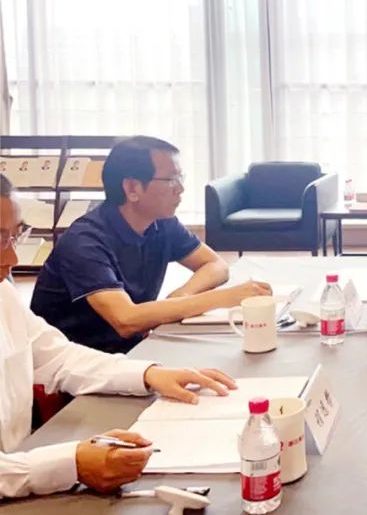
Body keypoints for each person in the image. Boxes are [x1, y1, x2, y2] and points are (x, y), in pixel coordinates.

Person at [1, 172, 238, 499]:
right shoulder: (84, 240)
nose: (12, 259)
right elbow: (126, 319)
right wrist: (70, 464)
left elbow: (60, 358)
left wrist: (149, 374)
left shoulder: (4, 296)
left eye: (15, 237)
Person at [30, 136, 270, 353]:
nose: (181, 189)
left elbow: (216, 266)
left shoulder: (161, 223)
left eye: (180, 178)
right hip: (78, 364)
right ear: (132, 188)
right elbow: (125, 320)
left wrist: (180, 296)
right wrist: (222, 298)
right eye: (170, 180)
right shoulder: (85, 242)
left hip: (132, 348)